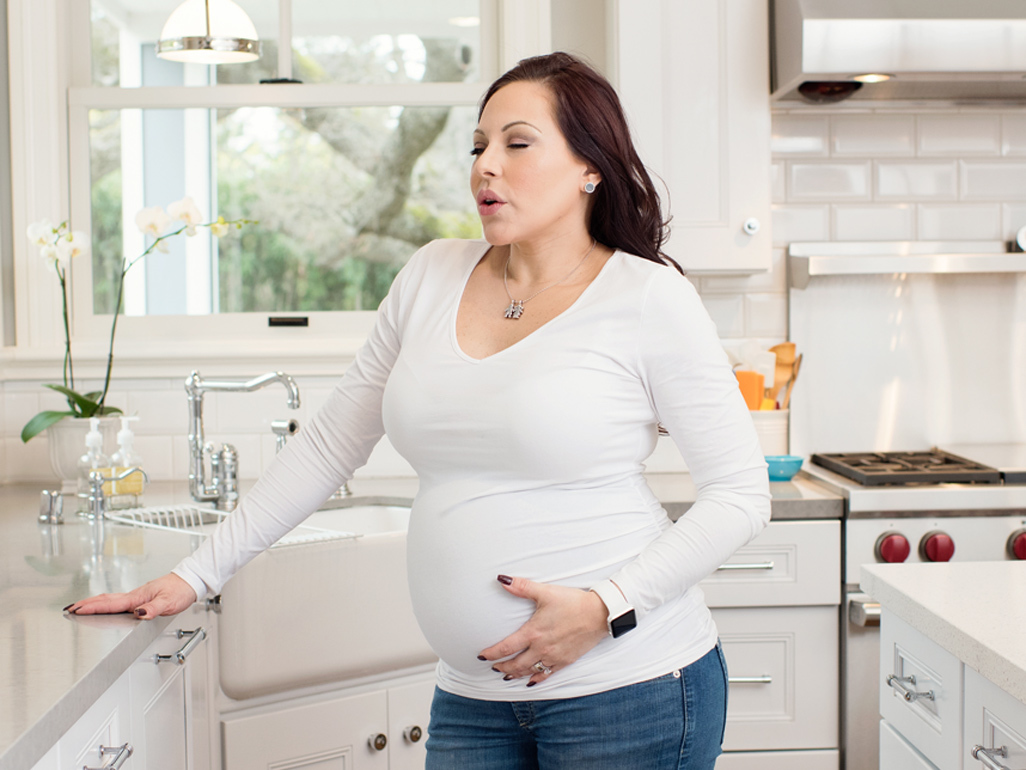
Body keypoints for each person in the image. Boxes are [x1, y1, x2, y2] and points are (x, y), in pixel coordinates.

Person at [67, 52, 771, 769]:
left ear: (591, 167)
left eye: (516, 143)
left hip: (630, 691)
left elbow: (742, 496)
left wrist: (606, 606)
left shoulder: (647, 297)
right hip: (472, 702)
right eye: (477, 146)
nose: (485, 166)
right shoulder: (431, 274)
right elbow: (328, 446)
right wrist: (196, 574)